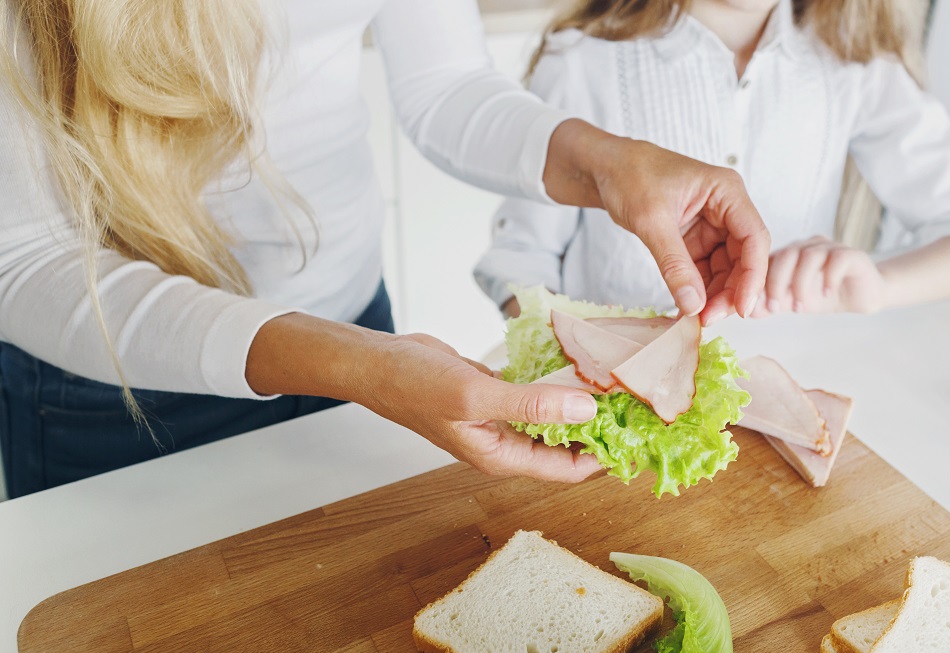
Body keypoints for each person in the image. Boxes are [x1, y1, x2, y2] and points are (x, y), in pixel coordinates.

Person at [0, 0, 772, 498]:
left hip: (357, 324)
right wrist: (358, 365)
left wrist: (606, 163)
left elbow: (445, 84)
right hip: (109, 393)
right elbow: (23, 261)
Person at [474, 0, 950, 319]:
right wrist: (573, 357)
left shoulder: (854, 64)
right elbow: (521, 259)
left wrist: (878, 285)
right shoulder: (583, 61)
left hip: (782, 400)